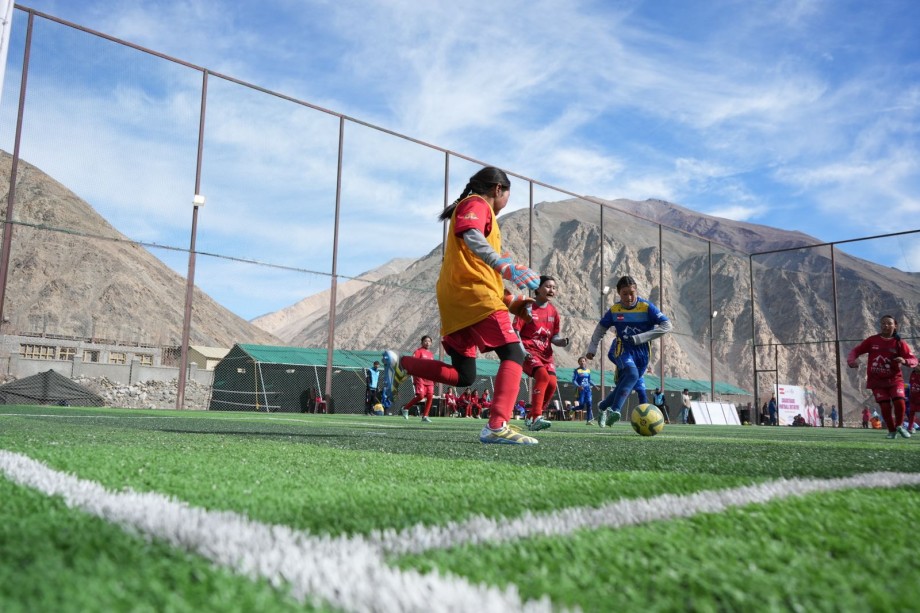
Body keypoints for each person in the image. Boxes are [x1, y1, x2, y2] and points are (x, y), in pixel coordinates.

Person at [382, 166, 541, 444]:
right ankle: (496, 426)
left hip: (459, 298)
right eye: (507, 197)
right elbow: (471, 236)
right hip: (471, 295)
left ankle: (404, 364)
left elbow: (479, 269)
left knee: (465, 375)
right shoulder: (476, 204)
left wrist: (512, 301)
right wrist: (505, 265)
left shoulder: (481, 213)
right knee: (514, 354)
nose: (506, 204)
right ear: (497, 190)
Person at [585, 275, 673, 427]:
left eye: (631, 292)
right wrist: (592, 348)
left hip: (643, 353)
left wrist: (640, 338)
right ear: (619, 293)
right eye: (624, 293)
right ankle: (615, 410)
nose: (629, 297)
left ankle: (602, 407)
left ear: (636, 291)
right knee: (632, 375)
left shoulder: (646, 307)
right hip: (622, 349)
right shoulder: (615, 310)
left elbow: (667, 326)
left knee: (626, 383)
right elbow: (600, 328)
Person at [847, 314, 919, 439]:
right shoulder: (872, 341)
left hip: (894, 380)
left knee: (899, 401)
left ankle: (900, 426)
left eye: (889, 323)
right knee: (885, 406)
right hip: (877, 382)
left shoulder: (899, 343)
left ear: (895, 325)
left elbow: (913, 360)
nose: (886, 325)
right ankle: (891, 431)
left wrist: (904, 360)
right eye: (883, 323)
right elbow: (855, 351)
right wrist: (852, 361)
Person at [514, 275, 569, 432]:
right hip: (528, 351)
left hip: (546, 354)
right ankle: (537, 416)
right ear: (537, 289)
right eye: (548, 286)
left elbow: (554, 337)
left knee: (551, 385)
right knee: (543, 377)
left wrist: (561, 341)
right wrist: (522, 351)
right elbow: (515, 331)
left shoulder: (553, 312)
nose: (551, 290)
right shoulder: (527, 308)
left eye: (554, 287)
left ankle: (531, 417)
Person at [399, 335, 435, 423]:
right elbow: (413, 363)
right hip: (420, 377)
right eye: (425, 341)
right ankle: (406, 408)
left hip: (429, 378)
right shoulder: (418, 352)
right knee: (421, 396)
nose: (427, 343)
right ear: (422, 342)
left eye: (429, 341)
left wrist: (435, 378)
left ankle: (425, 416)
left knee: (430, 396)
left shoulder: (431, 354)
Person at [572, 356, 596, 426]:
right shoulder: (577, 371)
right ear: (579, 362)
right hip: (581, 390)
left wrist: (595, 385)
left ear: (585, 362)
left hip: (588, 390)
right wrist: (578, 386)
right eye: (580, 361)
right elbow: (574, 380)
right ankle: (572, 409)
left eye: (583, 361)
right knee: (581, 406)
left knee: (589, 404)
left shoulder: (588, 371)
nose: (582, 362)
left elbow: (589, 380)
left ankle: (589, 421)